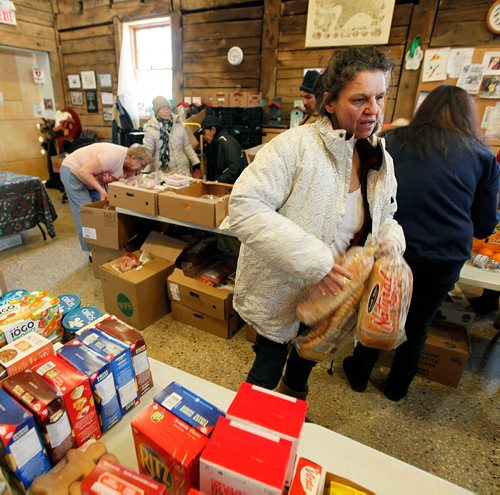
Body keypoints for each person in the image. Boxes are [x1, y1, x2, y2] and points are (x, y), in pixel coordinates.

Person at [219, 46, 405, 400]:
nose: (374, 110)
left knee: (308, 360)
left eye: (380, 97)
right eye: (360, 99)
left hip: (336, 294)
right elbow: (244, 206)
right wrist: (317, 262)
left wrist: (391, 240)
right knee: (267, 368)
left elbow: (387, 214)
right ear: (330, 102)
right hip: (283, 290)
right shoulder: (294, 147)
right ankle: (243, 434)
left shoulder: (379, 155)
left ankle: (292, 404)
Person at [343, 85, 499, 401]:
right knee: (419, 323)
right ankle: (398, 389)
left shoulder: (395, 140)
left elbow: (369, 190)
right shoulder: (483, 156)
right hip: (445, 255)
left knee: (379, 306)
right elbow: (484, 224)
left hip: (394, 244)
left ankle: (359, 373)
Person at [60, 142, 153, 252]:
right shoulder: (113, 156)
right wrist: (102, 191)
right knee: (86, 213)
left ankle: (102, 244)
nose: (141, 170)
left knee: (100, 212)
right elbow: (83, 172)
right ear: (132, 158)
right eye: (142, 165)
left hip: (91, 177)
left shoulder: (131, 169)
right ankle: (91, 251)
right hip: (74, 171)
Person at [143, 96, 200, 176]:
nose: (166, 111)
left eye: (168, 108)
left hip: (183, 170)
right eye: (163, 109)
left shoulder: (178, 124)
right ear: (156, 111)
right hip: (164, 173)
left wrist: (196, 163)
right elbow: (148, 152)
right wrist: (144, 170)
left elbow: (187, 147)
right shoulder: (151, 129)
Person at [195, 115, 247, 184]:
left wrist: (218, 181)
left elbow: (234, 169)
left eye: (204, 133)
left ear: (213, 130)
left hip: (234, 186)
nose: (204, 137)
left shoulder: (226, 143)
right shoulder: (217, 143)